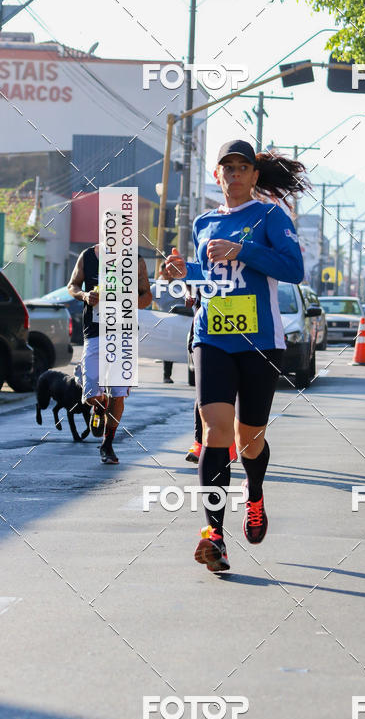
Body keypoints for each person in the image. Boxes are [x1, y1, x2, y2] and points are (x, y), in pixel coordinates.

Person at [166, 139, 308, 572]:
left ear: (254, 176)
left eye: (242, 167)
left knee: (250, 439)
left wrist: (244, 249)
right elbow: (208, 274)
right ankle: (214, 536)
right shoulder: (204, 221)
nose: (234, 174)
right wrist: (181, 272)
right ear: (217, 176)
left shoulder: (270, 216)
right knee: (215, 433)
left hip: (260, 341)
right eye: (227, 167)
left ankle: (256, 495)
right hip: (212, 336)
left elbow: (294, 270)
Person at [68, 242, 152, 463]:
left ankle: (107, 444)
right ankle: (99, 403)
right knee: (90, 395)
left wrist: (126, 299)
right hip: (94, 332)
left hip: (124, 334)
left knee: (119, 393)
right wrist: (85, 296)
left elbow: (146, 298)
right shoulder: (87, 256)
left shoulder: (136, 260)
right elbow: (72, 286)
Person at [151, 261, 176, 383]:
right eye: (166, 273)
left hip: (185, 319)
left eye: (171, 273)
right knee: (169, 348)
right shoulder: (155, 288)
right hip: (167, 321)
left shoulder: (181, 284)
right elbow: (144, 300)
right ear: (161, 273)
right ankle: (167, 375)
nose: (169, 275)